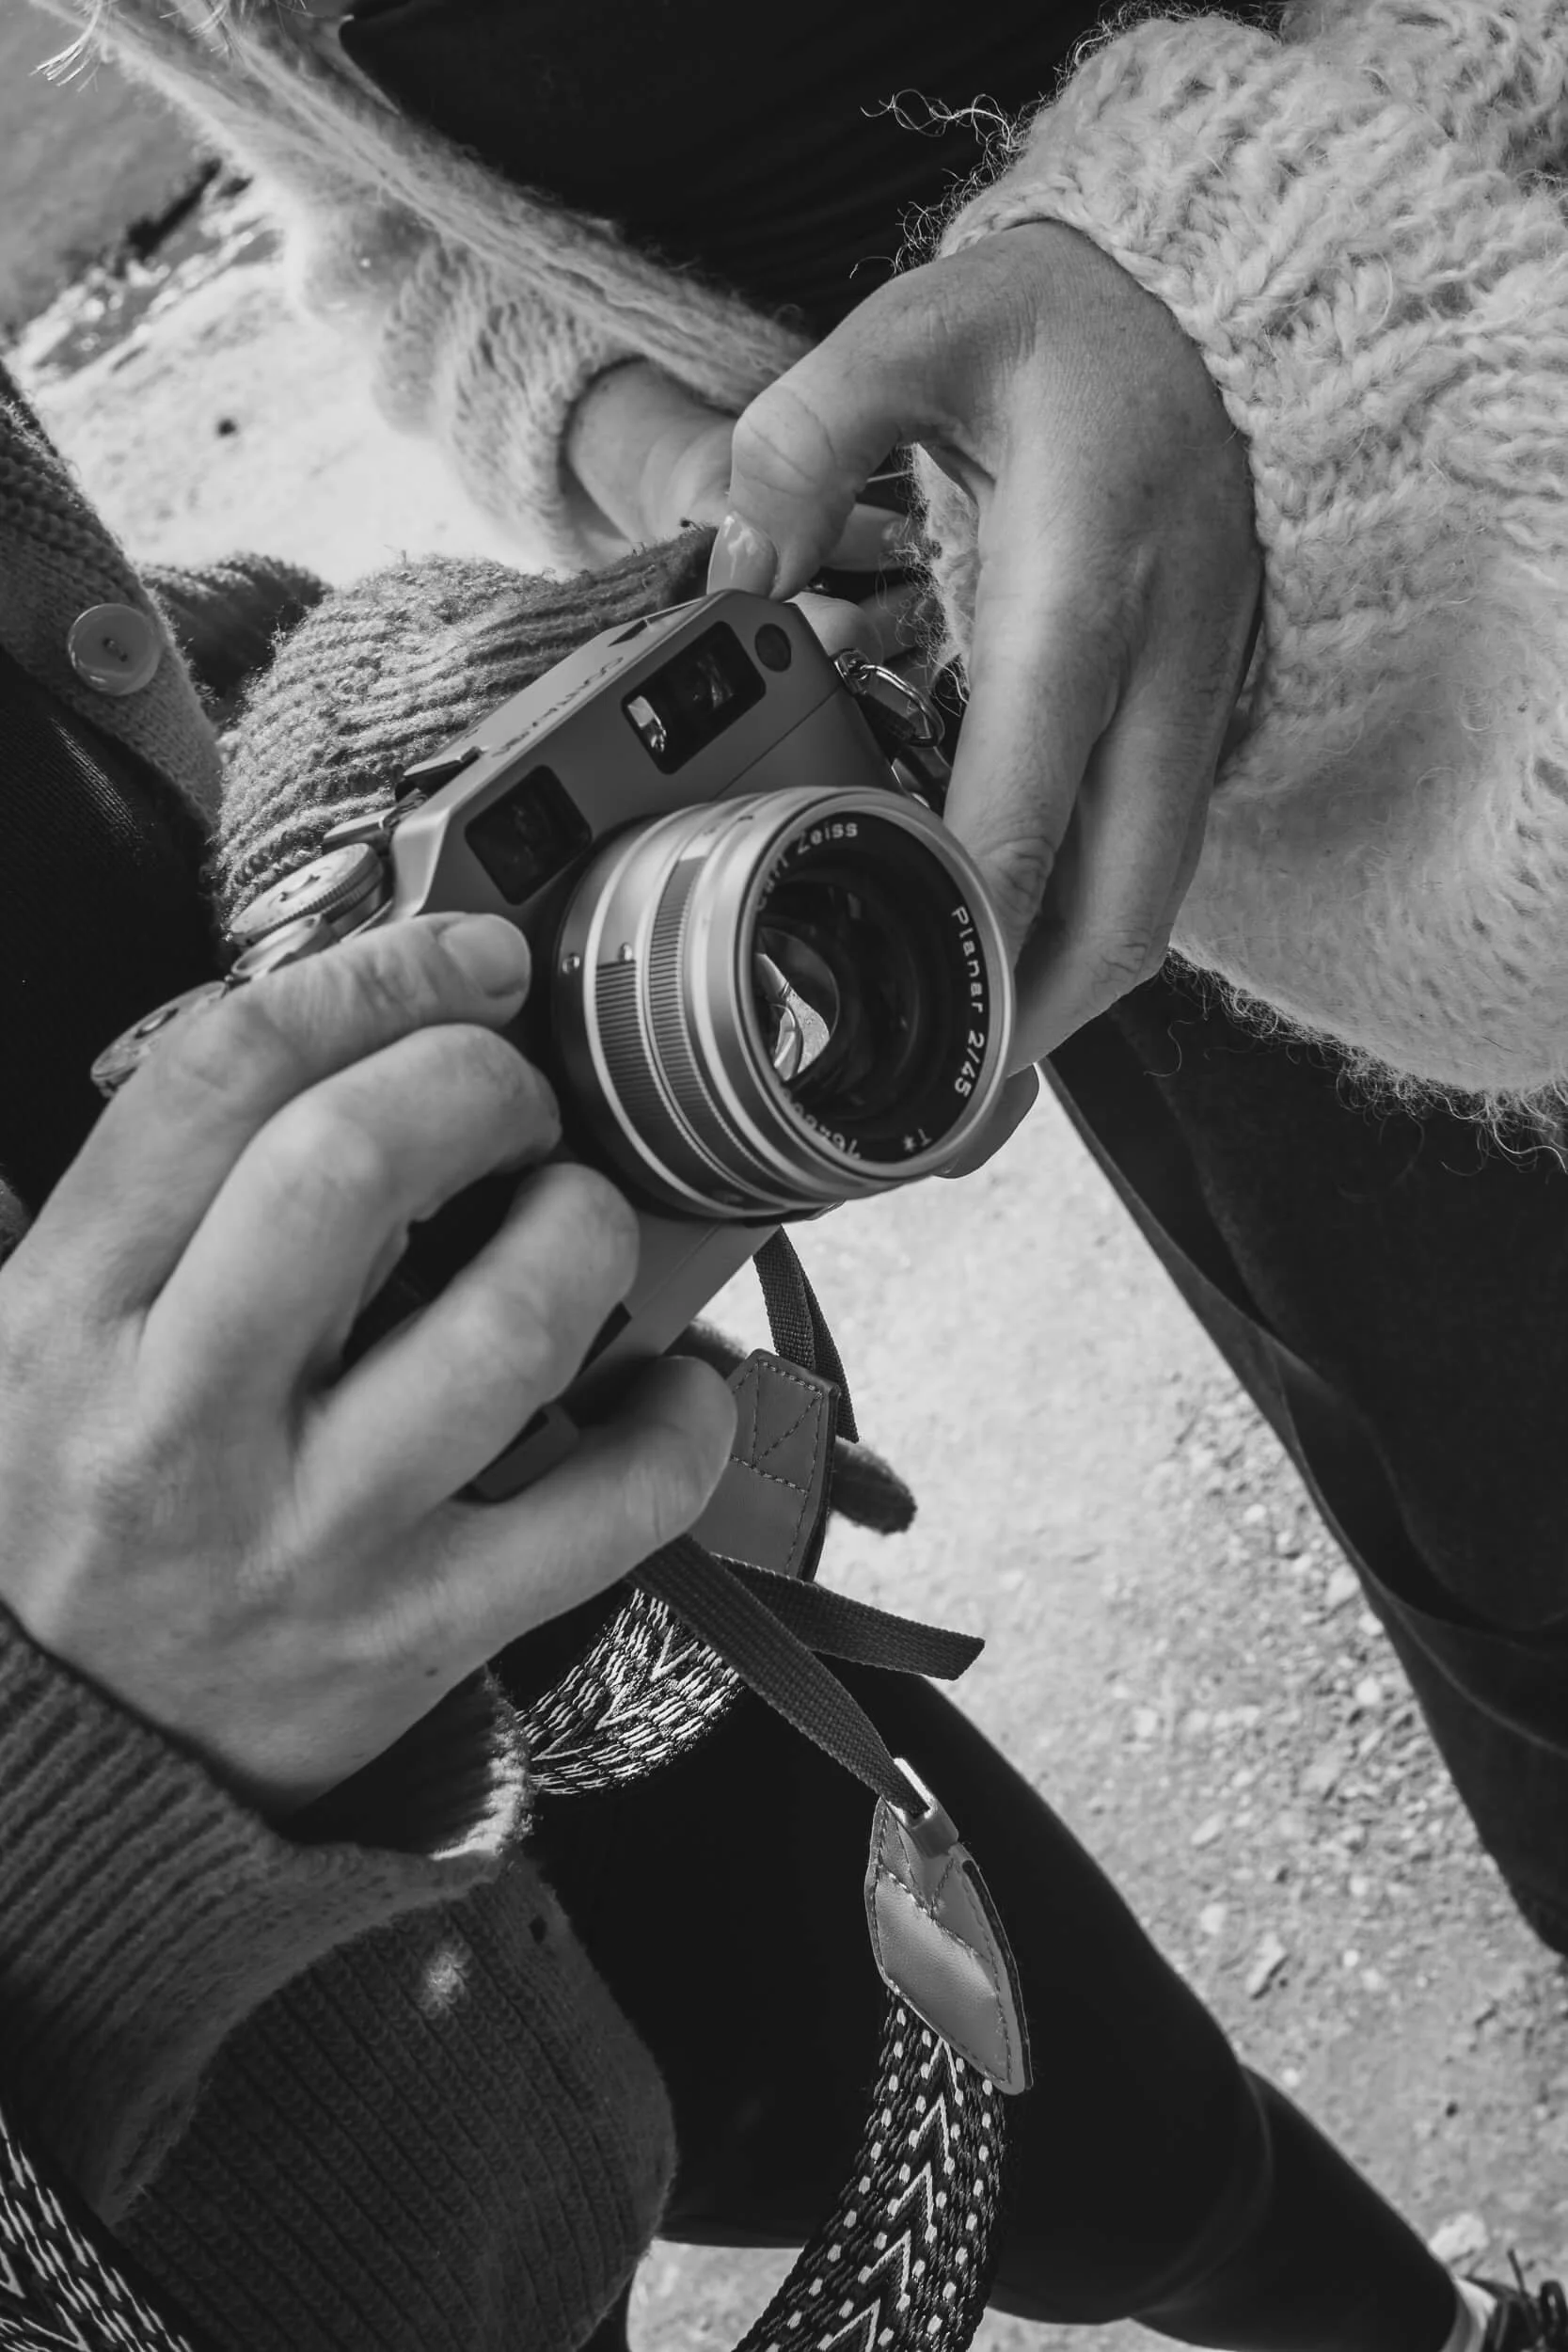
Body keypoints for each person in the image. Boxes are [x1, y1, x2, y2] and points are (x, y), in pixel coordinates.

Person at [0, 364, 1558, 2352]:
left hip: (605, 1612)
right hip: (261, 2173)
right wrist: (82, 1791)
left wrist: (353, 715)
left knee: (1124, 2131)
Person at [40, 0, 1568, 1963]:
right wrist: (662, 447)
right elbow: (388, 232)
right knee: (1492, 1503)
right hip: (1011, 816)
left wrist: (1230, 300)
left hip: (1436, 428)